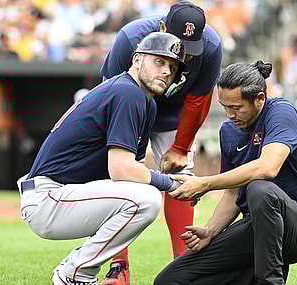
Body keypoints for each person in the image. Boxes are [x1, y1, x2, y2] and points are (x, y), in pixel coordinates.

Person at [17, 32, 190, 285]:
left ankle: (78, 274)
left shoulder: (145, 102)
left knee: (143, 193)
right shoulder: (127, 93)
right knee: (148, 199)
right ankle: (74, 275)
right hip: (48, 198)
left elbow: (133, 170)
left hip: (65, 195)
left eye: (173, 68)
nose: (166, 71)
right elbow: (121, 170)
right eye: (159, 62)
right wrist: (173, 184)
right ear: (137, 59)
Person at [154, 61, 297, 285]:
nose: (229, 115)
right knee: (170, 279)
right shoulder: (228, 131)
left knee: (259, 189)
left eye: (236, 108)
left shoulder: (281, 112)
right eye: (225, 107)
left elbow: (267, 168)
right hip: (255, 228)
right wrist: (210, 230)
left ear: (259, 99)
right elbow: (231, 195)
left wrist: (205, 184)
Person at [100, 1, 222, 282]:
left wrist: (181, 147)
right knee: (121, 179)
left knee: (182, 176)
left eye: (190, 47)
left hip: (174, 116)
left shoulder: (212, 46)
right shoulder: (130, 38)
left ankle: (184, 269)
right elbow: (110, 92)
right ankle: (118, 268)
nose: (183, 55)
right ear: (163, 29)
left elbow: (198, 100)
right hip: (131, 107)